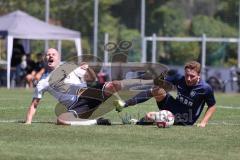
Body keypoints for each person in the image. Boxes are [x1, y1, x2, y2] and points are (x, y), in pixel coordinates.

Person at [25, 48, 121, 125]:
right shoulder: (43, 82)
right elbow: (34, 104)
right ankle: (97, 122)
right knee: (61, 120)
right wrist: (28, 122)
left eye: (53, 54)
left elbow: (92, 79)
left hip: (87, 93)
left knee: (113, 84)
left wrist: (88, 69)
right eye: (48, 54)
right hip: (76, 105)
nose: (50, 56)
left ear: (58, 58)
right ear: (45, 59)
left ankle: (120, 102)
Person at [114, 61, 216, 128]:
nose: (188, 78)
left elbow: (212, 106)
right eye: (187, 75)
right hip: (175, 106)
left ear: (199, 75)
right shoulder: (180, 79)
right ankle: (124, 103)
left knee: (149, 116)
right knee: (156, 90)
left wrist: (203, 122)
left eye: (192, 76)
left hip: (186, 118)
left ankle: (137, 122)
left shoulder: (205, 88)